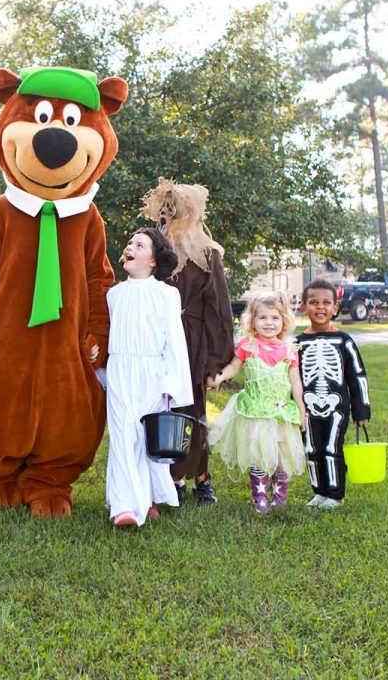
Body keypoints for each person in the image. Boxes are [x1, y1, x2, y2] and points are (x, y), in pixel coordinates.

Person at [140, 179, 234, 506]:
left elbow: (218, 310)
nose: (169, 219)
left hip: (192, 342)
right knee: (161, 406)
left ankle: (200, 478)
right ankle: (169, 475)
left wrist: (215, 362)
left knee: (192, 409)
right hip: (157, 341)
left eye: (175, 213)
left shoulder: (207, 255)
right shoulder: (153, 252)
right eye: (165, 214)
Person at [104, 228, 193, 527]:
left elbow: (174, 341)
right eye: (130, 243)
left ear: (154, 261)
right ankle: (124, 506)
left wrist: (172, 385)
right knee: (122, 436)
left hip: (153, 374)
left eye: (139, 245)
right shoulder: (114, 294)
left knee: (146, 438)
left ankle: (150, 496)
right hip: (120, 372)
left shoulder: (167, 294)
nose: (130, 247)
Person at [206, 291, 306, 513]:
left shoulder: (290, 349)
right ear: (252, 320)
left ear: (284, 321)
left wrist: (301, 408)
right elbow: (234, 366)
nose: (269, 323)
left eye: (275, 318)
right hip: (255, 412)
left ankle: (279, 496)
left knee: (282, 457)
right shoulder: (248, 345)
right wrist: (221, 376)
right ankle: (259, 496)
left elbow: (296, 382)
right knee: (259, 455)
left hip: (281, 412)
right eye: (263, 318)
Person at [293, 279, 371, 509]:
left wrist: (361, 409)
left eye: (327, 303)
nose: (320, 307)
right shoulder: (297, 343)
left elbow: (357, 376)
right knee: (311, 449)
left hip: (337, 406)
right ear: (304, 307)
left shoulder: (344, 341)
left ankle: (335, 494)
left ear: (335, 308)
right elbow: (290, 376)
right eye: (314, 302)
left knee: (331, 448)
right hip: (306, 407)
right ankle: (319, 492)